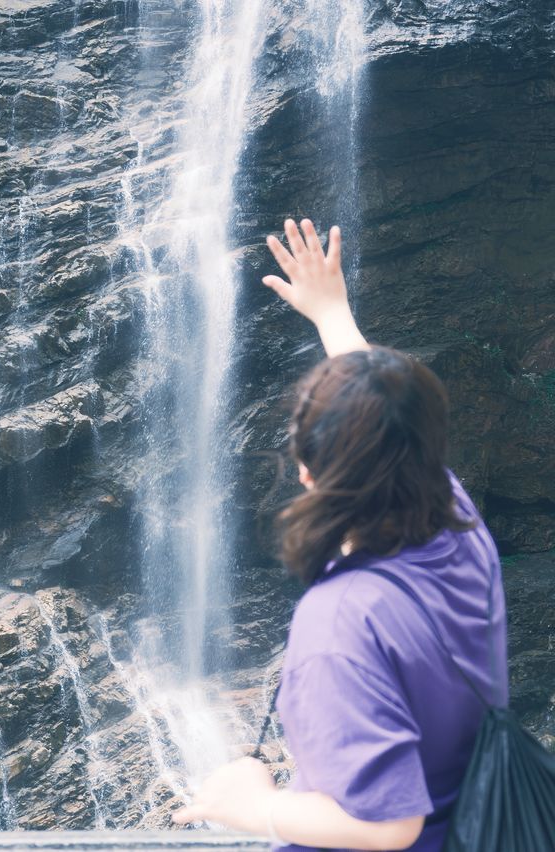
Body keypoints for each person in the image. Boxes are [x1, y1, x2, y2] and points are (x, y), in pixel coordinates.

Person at [172, 218, 509, 851]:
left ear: (305, 473)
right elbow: (391, 420)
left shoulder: (340, 623)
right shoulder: (456, 531)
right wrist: (332, 314)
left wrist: (256, 806)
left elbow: (388, 826)